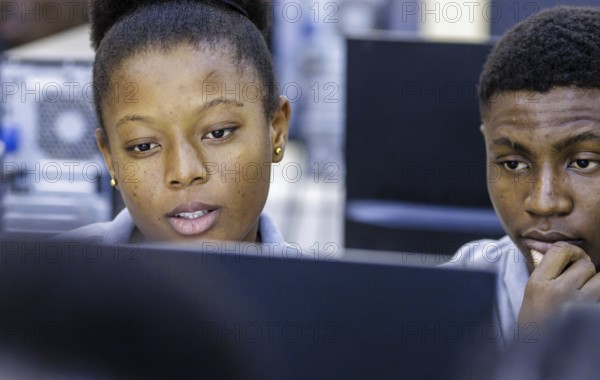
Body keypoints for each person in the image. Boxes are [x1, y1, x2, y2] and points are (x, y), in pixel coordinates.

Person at [61, 0, 290, 246]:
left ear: (276, 129)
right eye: (143, 146)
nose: (184, 172)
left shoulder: (321, 285)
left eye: (218, 132)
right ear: (110, 160)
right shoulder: (45, 276)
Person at [446, 5, 600, 344]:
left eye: (585, 162)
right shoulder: (459, 288)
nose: (544, 203)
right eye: (514, 164)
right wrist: (537, 339)